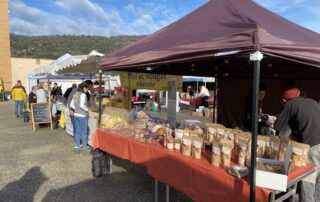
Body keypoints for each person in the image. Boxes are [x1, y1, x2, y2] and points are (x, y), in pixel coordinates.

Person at [274, 87, 320, 202]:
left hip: (312, 146)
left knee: (308, 180)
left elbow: (277, 126)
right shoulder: (312, 101)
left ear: (284, 100)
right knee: (318, 179)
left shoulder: (290, 104)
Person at [70, 83, 90, 152]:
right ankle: (85, 147)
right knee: (84, 132)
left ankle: (77, 146)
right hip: (82, 115)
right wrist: (88, 110)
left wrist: (76, 109)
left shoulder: (75, 94)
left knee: (77, 132)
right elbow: (82, 105)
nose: (87, 90)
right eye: (87, 88)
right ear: (84, 88)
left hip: (76, 115)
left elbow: (71, 105)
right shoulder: (83, 94)